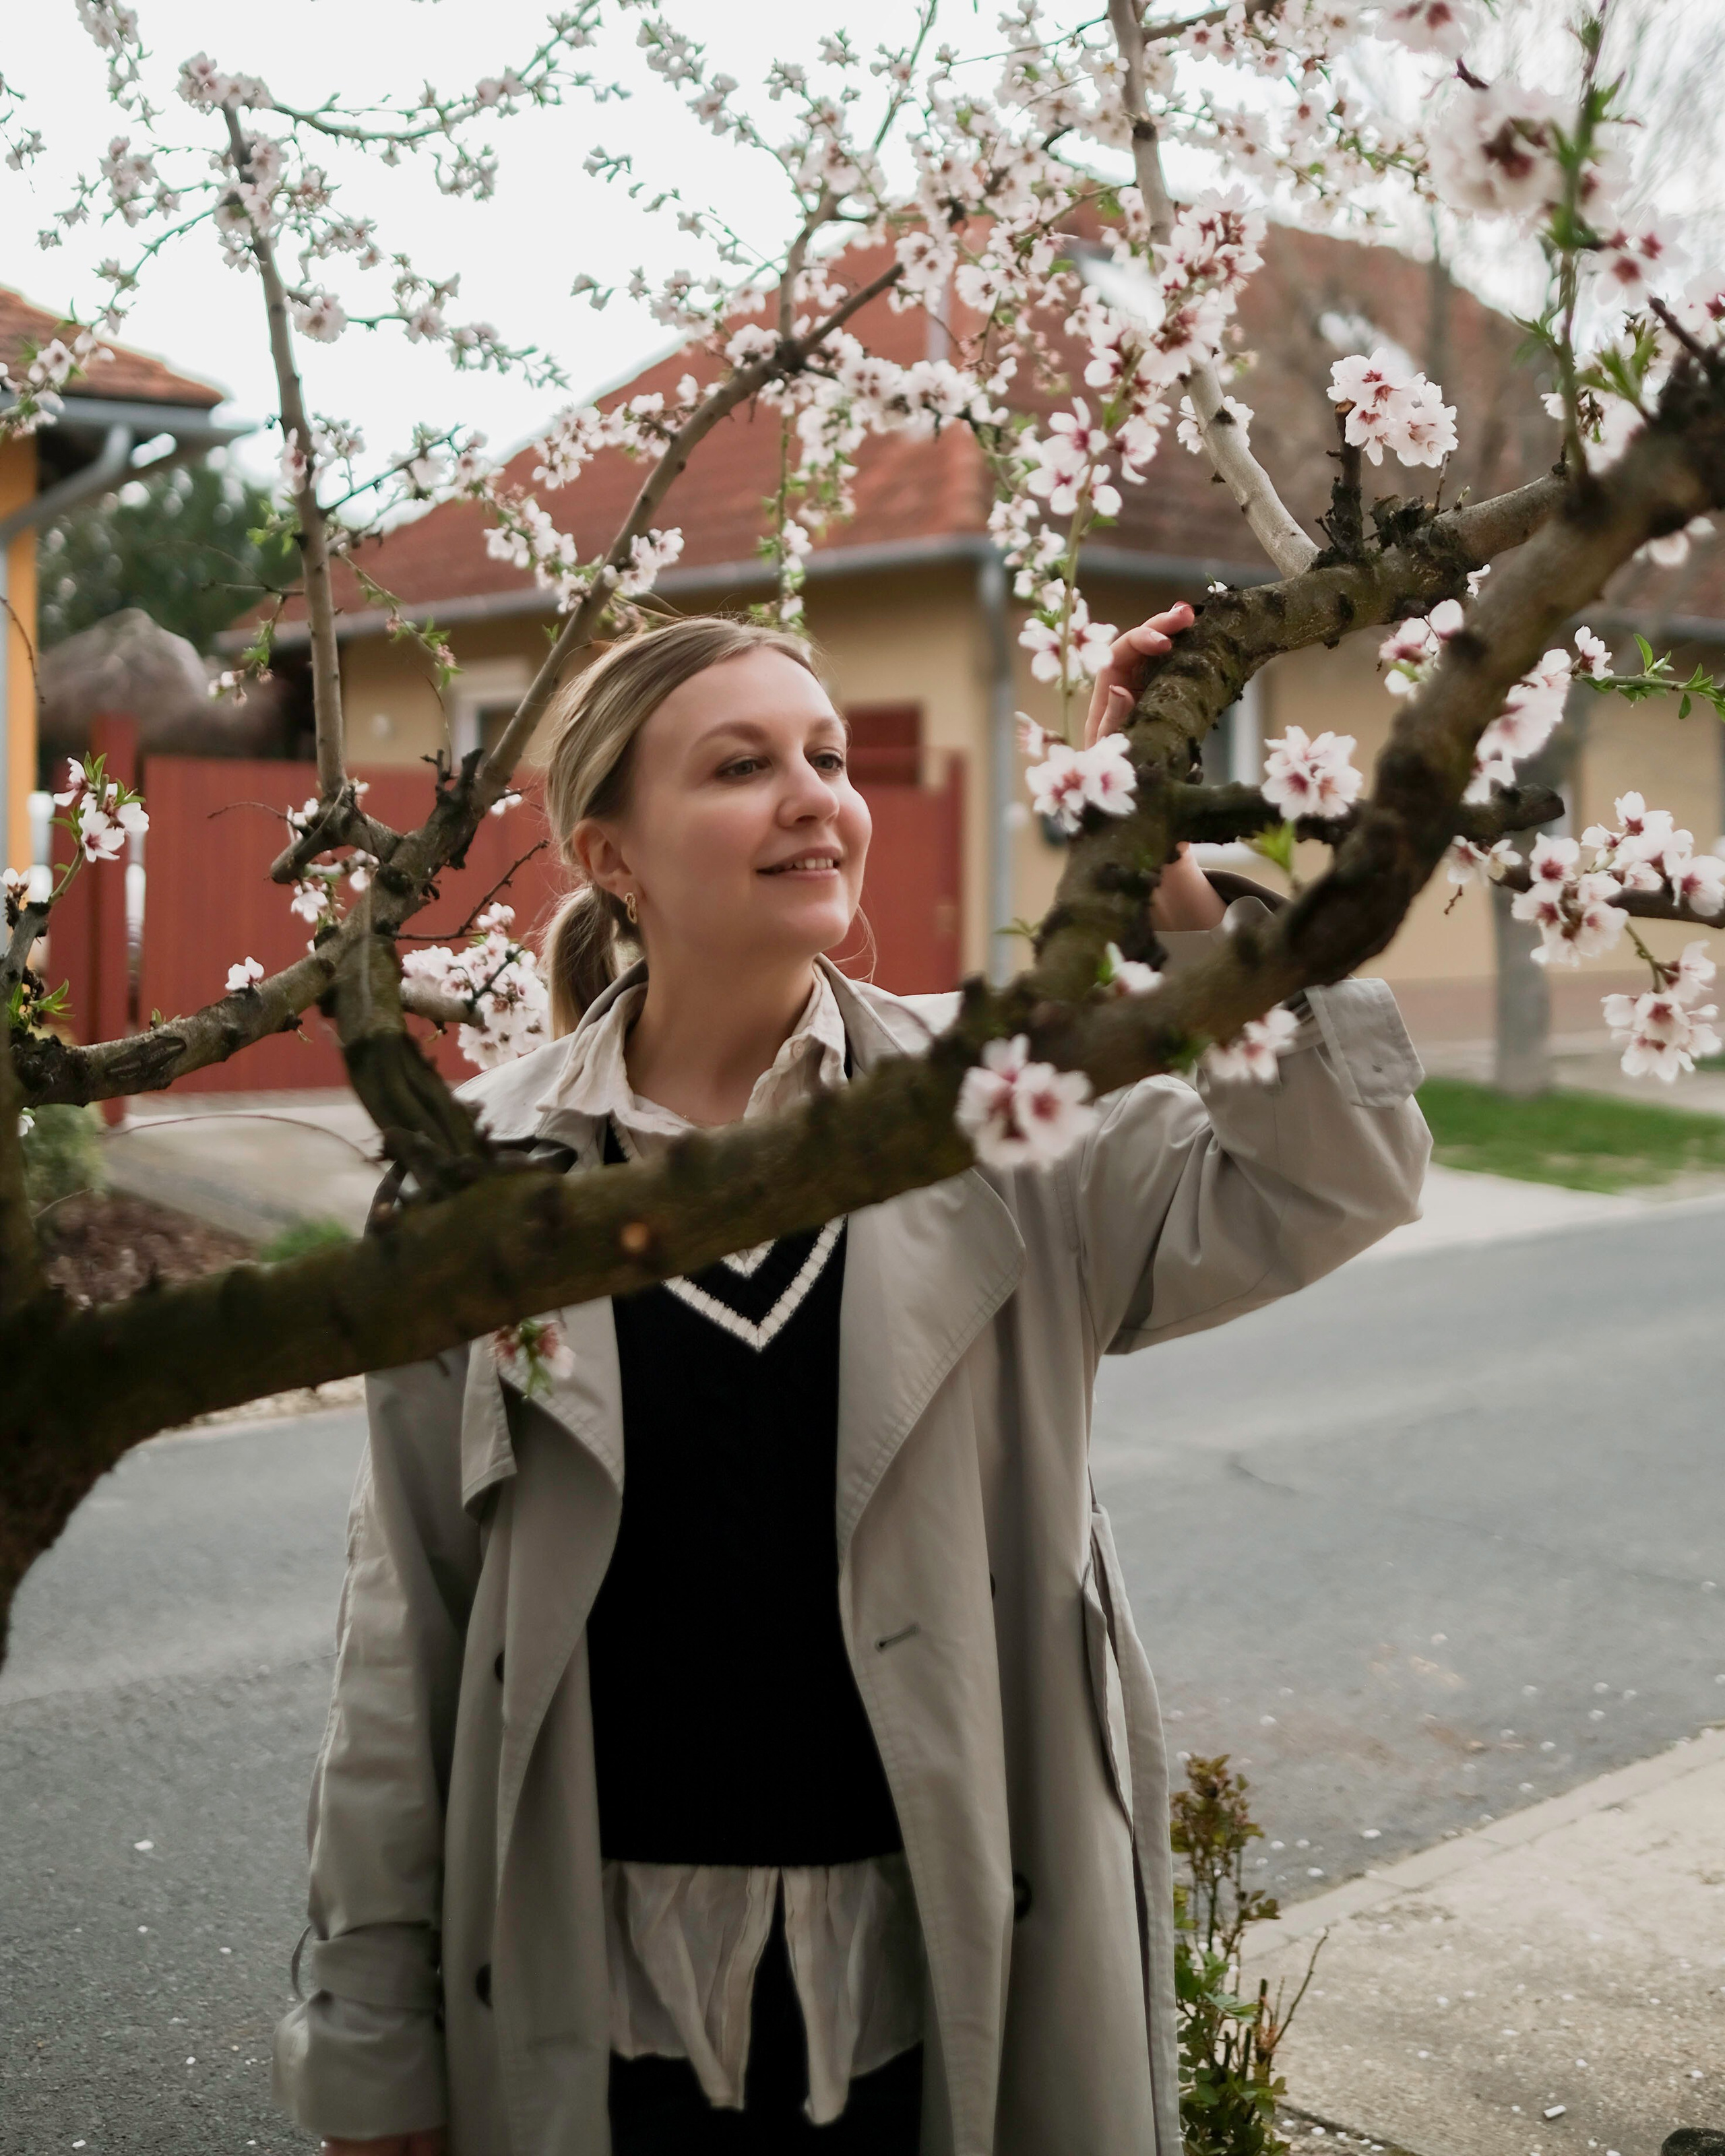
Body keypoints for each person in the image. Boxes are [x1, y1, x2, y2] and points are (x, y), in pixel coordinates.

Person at [274, 610, 1429, 2156]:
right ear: (611, 854)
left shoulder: (996, 1105)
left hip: (941, 1970)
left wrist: (1169, 887)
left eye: (829, 755)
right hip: (592, 1990)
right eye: (743, 764)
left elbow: (1333, 1174)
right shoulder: (476, 1181)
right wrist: (369, 2044)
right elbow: (406, 1633)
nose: (815, 795)